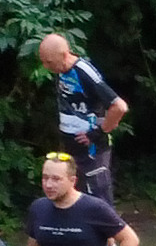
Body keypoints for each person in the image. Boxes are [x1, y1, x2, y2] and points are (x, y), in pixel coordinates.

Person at [37, 33, 127, 205]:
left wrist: (98, 132)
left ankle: (110, 232)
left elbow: (119, 107)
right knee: (74, 200)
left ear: (64, 55)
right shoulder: (61, 70)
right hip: (71, 148)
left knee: (98, 202)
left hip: (92, 150)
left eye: (48, 62)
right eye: (43, 61)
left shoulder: (83, 72)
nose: (45, 66)